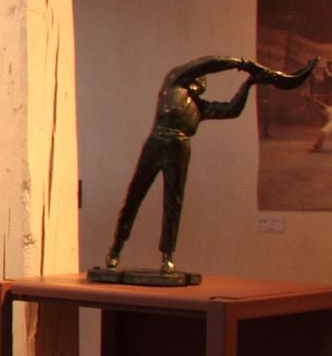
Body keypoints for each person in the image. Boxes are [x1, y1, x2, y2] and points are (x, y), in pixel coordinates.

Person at [104, 55, 312, 273]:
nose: (199, 85)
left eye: (202, 84)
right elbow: (208, 63)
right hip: (157, 140)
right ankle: (116, 248)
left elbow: (231, 110)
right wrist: (241, 64)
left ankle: (167, 255)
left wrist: (249, 84)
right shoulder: (173, 84)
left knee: (173, 202)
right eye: (198, 79)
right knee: (135, 195)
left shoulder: (199, 107)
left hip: (179, 146)